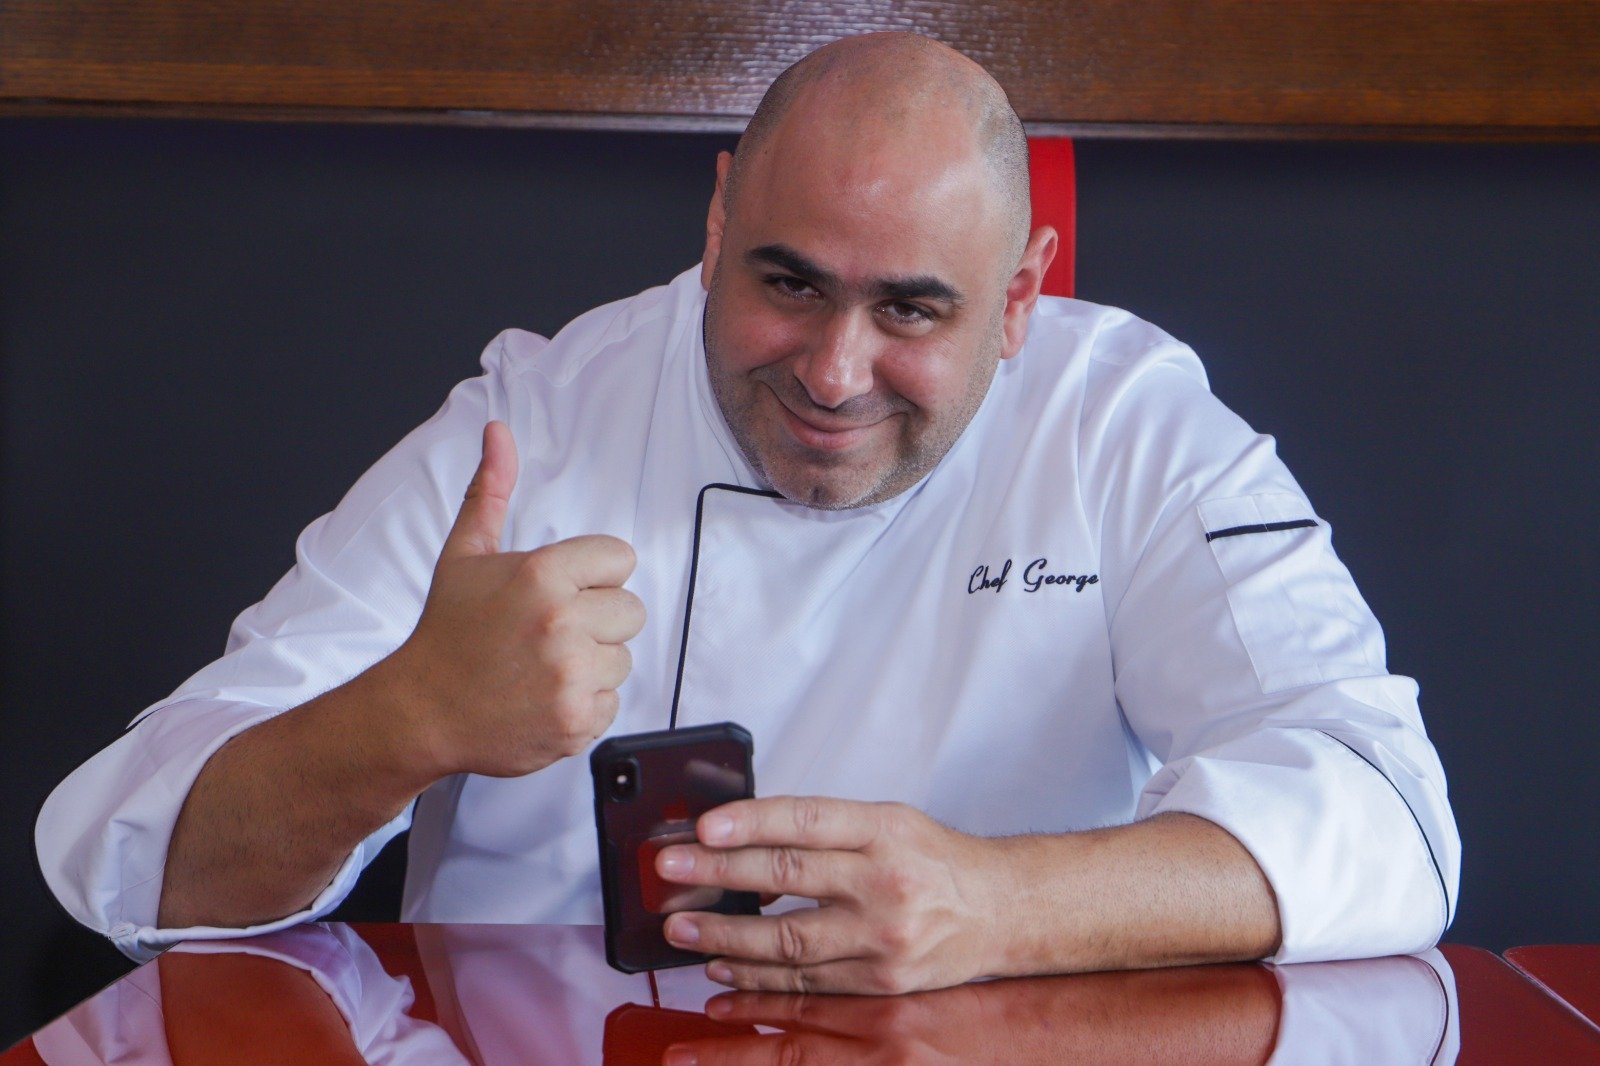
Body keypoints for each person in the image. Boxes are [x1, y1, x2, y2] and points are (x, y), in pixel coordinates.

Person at [37, 32, 1458, 995]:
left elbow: (1390, 812)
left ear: (1022, 294)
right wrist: (407, 716)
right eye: (788, 283)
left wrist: (995, 904)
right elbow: (120, 854)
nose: (835, 373)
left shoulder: (1128, 425)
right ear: (716, 225)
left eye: (912, 310)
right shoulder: (536, 423)